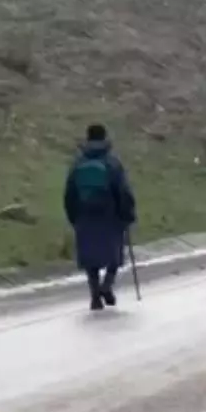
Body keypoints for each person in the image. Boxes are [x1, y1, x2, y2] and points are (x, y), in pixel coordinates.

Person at [63, 124, 137, 310]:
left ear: (87, 139)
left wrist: (73, 216)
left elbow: (69, 193)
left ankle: (95, 295)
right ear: (105, 138)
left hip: (84, 215)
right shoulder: (112, 162)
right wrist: (127, 213)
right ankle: (107, 286)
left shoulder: (77, 163)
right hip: (109, 215)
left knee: (90, 256)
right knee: (114, 253)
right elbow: (123, 190)